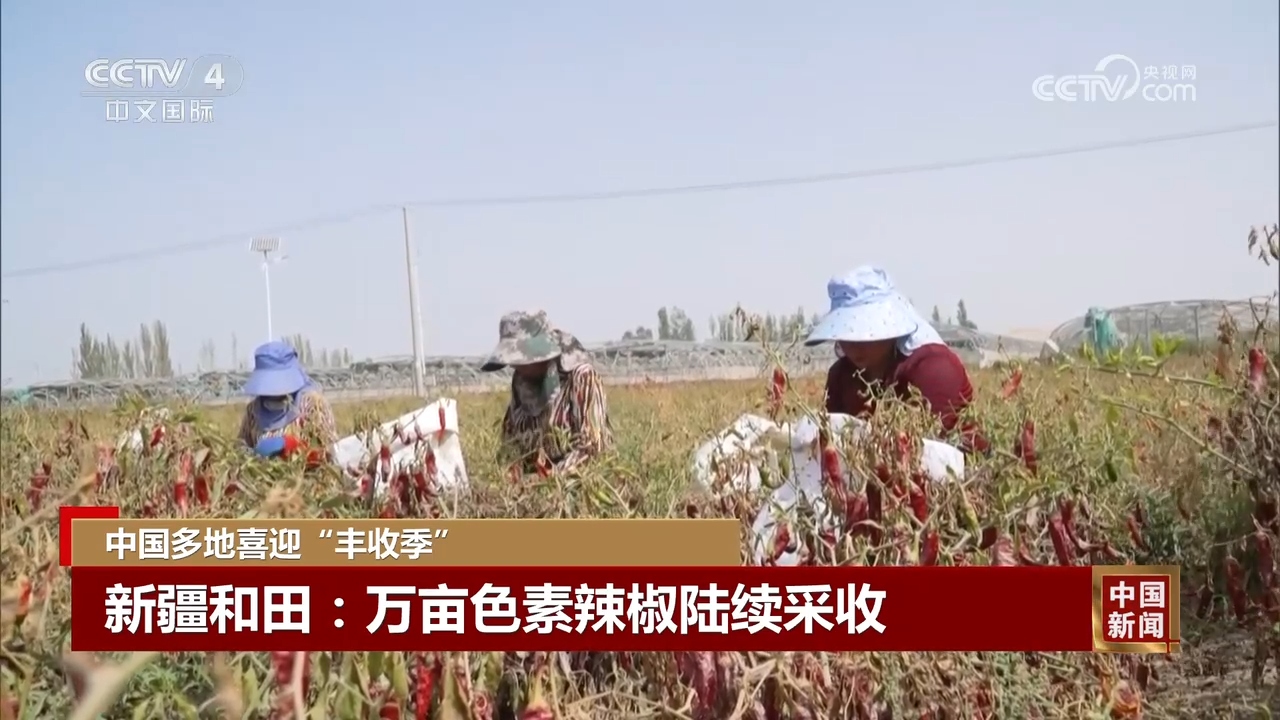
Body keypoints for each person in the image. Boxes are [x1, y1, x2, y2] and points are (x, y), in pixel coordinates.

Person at [805, 266, 989, 454]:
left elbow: (925, 457)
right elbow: (832, 444)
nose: (852, 344)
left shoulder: (932, 368)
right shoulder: (841, 375)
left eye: (864, 332)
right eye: (846, 333)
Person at [480, 310, 613, 475]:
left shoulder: (581, 378)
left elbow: (592, 449)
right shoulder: (521, 381)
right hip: (532, 486)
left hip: (576, 483)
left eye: (520, 359)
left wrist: (549, 479)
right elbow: (510, 444)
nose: (515, 366)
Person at [236, 340, 338, 464]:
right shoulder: (253, 411)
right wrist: (252, 455)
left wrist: (296, 447)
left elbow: (331, 453)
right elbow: (239, 449)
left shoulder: (312, 405)